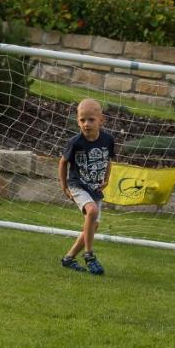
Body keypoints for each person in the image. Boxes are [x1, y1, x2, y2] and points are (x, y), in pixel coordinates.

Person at [58, 98, 114, 276]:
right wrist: (65, 187)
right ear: (78, 121)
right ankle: (89, 255)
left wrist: (106, 179)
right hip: (78, 185)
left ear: (101, 120)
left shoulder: (108, 140)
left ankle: (68, 258)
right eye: (82, 120)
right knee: (92, 212)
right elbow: (63, 163)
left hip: (95, 188)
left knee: (93, 226)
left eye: (91, 119)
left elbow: (108, 160)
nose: (86, 124)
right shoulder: (75, 142)